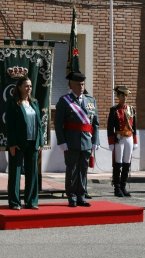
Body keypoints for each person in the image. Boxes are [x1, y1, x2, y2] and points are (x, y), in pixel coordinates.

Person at [55, 71, 100, 207]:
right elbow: (58, 124)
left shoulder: (90, 100)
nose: (81, 87)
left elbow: (95, 124)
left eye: (82, 84)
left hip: (87, 141)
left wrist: (95, 142)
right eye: (78, 84)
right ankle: (72, 196)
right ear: (71, 85)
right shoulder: (64, 101)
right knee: (72, 170)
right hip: (71, 141)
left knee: (83, 170)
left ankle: (81, 195)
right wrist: (62, 142)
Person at [6, 76, 44, 210]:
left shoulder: (34, 102)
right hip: (18, 143)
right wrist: (11, 144)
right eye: (26, 86)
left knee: (32, 173)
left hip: (33, 143)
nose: (29, 89)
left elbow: (39, 124)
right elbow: (9, 125)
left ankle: (31, 201)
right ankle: (15, 202)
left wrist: (40, 142)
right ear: (20, 87)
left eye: (30, 86)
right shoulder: (13, 103)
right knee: (15, 174)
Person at [107, 85, 138, 197]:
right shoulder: (114, 110)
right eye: (121, 95)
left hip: (129, 137)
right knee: (118, 163)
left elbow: (134, 126)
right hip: (119, 138)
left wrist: (135, 141)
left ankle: (123, 186)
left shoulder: (131, 109)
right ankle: (117, 187)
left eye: (125, 95)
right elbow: (110, 127)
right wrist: (111, 142)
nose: (124, 98)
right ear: (118, 96)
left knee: (126, 163)